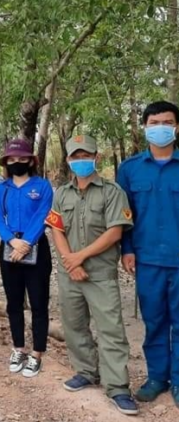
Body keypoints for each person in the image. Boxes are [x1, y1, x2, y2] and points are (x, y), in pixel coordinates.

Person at [47, 134, 138, 415]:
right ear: (68, 160)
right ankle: (86, 371)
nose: (80, 160)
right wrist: (70, 262)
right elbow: (57, 228)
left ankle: (118, 387)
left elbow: (116, 231)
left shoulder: (112, 191)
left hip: (99, 273)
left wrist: (80, 257)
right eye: (75, 156)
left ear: (96, 157)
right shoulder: (61, 193)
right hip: (69, 273)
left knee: (110, 329)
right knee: (74, 325)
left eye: (86, 155)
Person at [117, 100, 179, 406]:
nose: (161, 128)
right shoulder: (129, 170)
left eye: (167, 122)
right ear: (145, 128)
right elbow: (123, 217)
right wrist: (126, 250)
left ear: (177, 127)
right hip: (147, 260)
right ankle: (157, 377)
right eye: (154, 123)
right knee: (154, 321)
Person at [0, 139, 53, 377]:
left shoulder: (43, 186)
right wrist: (10, 239)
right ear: (7, 162)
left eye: (22, 159)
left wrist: (26, 242)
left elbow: (44, 214)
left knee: (38, 303)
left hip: (36, 247)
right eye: (12, 159)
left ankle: (37, 353)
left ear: (31, 161)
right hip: (9, 248)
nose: (17, 163)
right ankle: (19, 348)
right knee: (13, 303)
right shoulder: (2, 189)